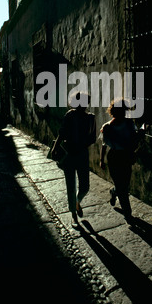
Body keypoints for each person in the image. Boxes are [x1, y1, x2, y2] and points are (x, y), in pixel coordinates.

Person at [52, 91, 96, 227]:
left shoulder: (91, 118)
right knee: (70, 185)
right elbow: (62, 132)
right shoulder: (70, 115)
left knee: (85, 186)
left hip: (82, 154)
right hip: (69, 154)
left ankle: (77, 201)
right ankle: (73, 215)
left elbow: (93, 138)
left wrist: (82, 145)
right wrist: (55, 147)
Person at [100, 98, 139, 224]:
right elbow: (104, 144)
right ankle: (128, 214)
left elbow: (134, 140)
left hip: (125, 156)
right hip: (115, 157)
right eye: (119, 110)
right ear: (114, 112)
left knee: (124, 185)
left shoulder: (129, 124)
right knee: (122, 187)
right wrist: (102, 160)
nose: (122, 113)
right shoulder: (107, 127)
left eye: (123, 111)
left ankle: (114, 191)